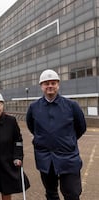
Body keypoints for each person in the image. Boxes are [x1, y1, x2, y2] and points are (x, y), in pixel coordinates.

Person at [26, 69, 87, 200]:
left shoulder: (72, 106)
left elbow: (81, 127)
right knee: (51, 193)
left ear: (58, 85)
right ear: (41, 86)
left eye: (53, 83)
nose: (50, 86)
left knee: (72, 194)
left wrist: (67, 140)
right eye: (46, 83)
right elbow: (32, 127)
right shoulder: (33, 108)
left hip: (68, 158)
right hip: (45, 159)